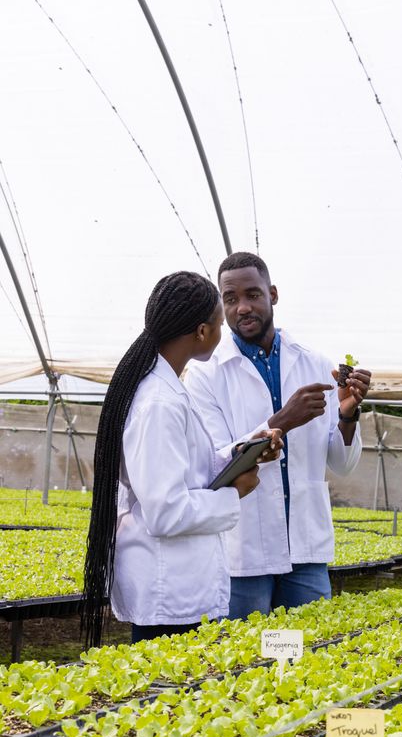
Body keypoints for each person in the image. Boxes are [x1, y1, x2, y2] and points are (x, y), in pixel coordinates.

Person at [82, 270, 282, 647]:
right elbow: (165, 511)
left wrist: (242, 451)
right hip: (167, 590)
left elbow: (187, 468)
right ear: (202, 332)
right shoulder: (158, 402)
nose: (223, 332)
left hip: (178, 584)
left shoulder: (169, 387)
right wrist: (233, 492)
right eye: (220, 324)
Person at [185, 251, 371, 618]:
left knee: (300, 655)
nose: (242, 307)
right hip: (244, 552)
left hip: (305, 549)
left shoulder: (314, 363)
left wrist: (348, 415)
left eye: (252, 294)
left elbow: (341, 464)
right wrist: (283, 420)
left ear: (272, 294)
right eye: (231, 299)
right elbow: (215, 460)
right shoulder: (205, 375)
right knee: (245, 659)